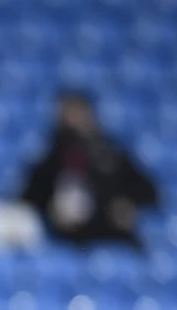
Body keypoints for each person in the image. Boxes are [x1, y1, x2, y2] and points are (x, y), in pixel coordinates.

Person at [19, 90, 158, 246]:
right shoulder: (51, 157)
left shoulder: (109, 153)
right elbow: (29, 197)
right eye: (66, 114)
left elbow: (147, 191)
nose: (72, 120)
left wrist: (127, 203)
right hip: (63, 239)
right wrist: (49, 211)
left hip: (110, 236)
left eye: (76, 112)